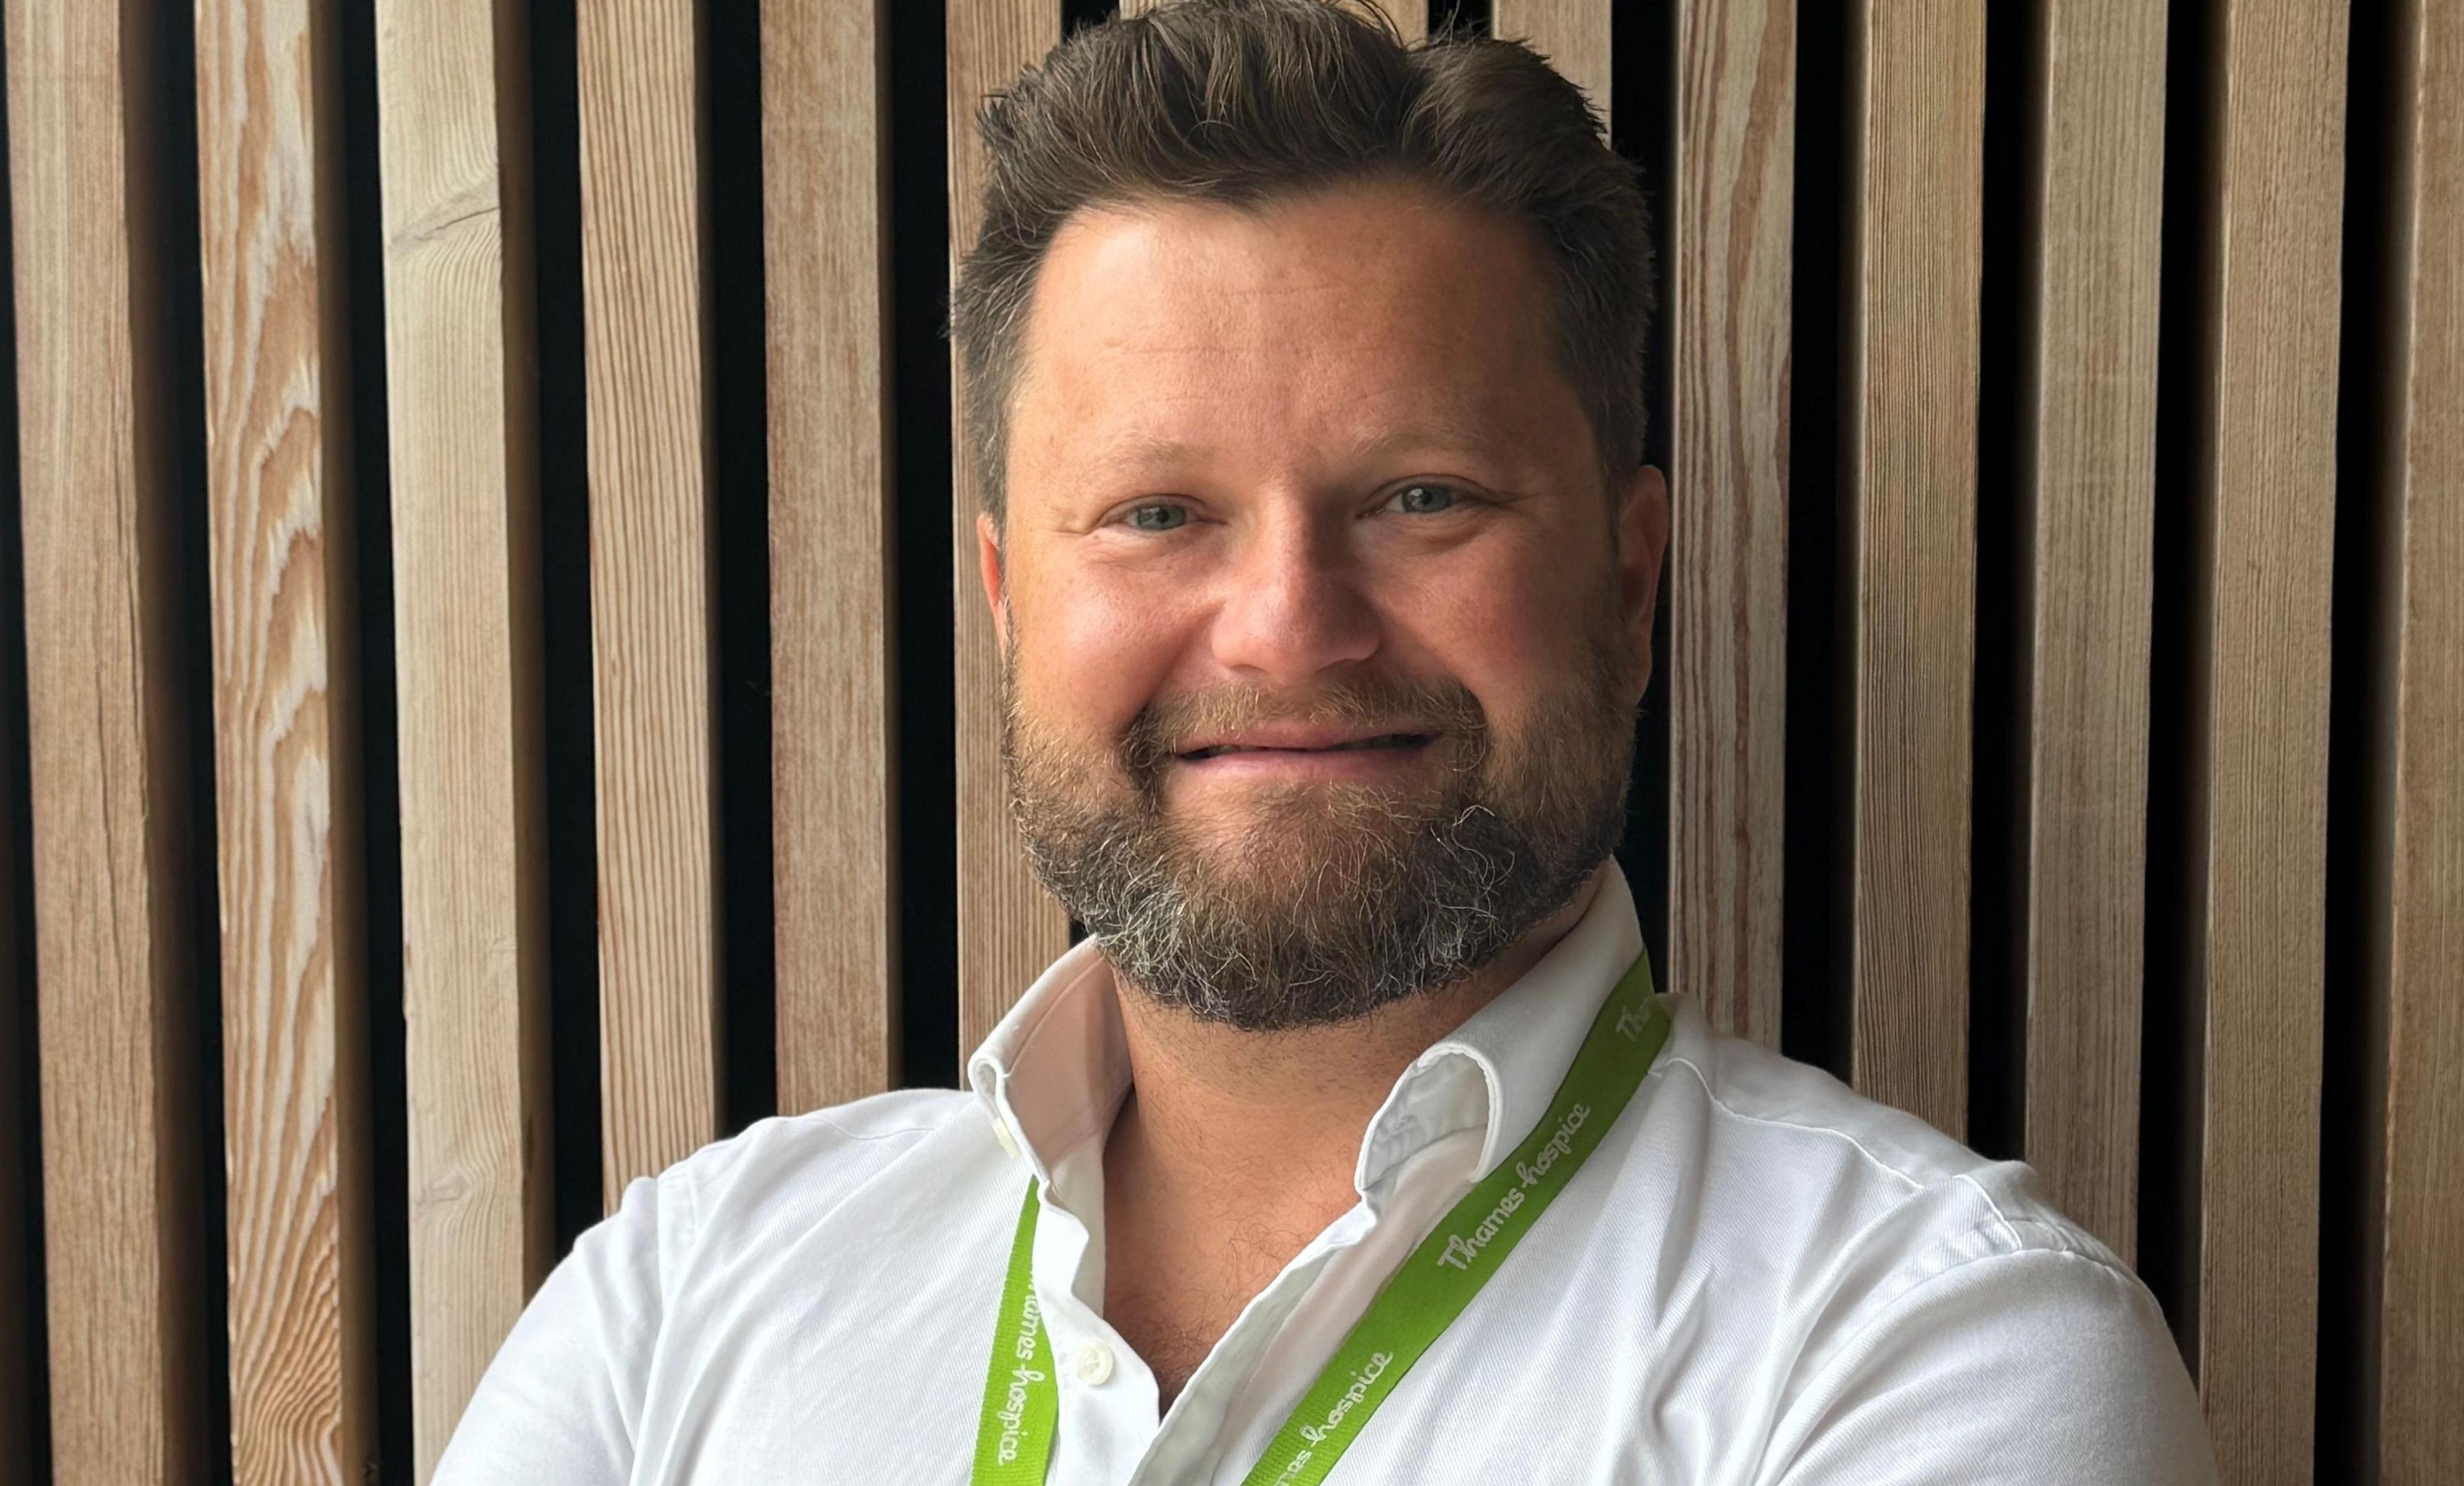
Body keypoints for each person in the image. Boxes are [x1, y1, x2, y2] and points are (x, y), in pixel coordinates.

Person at [433, 1, 2216, 1480]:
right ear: (1006, 601)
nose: (1287, 621)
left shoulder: (1927, 1351)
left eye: (1421, 496)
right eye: (1154, 513)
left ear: (1626, 579)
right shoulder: (682, 1300)